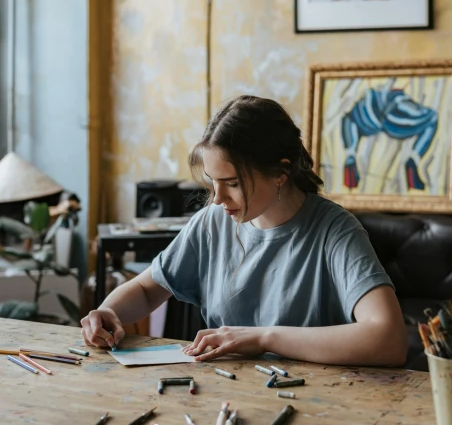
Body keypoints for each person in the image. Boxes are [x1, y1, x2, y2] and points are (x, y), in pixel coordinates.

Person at [81, 96, 407, 367]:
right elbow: (147, 290)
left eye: (233, 184)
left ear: (280, 173)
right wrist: (109, 312)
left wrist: (263, 337)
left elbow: (388, 339)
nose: (219, 199)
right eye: (213, 182)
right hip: (225, 395)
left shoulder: (335, 231)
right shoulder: (211, 222)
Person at [341, 81, 439, 191]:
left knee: (349, 118)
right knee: (432, 117)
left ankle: (350, 157)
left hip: (370, 108)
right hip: (395, 109)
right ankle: (413, 159)